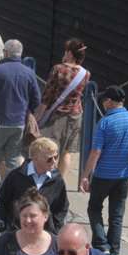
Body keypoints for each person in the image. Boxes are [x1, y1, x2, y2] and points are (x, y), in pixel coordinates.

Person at [81, 85, 128, 255]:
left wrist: (85, 175)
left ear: (109, 101)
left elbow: (96, 152)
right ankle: (114, 252)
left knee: (94, 208)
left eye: (103, 100)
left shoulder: (105, 123)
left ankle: (101, 245)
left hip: (103, 175)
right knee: (116, 215)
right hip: (124, 175)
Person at [0, 40, 39, 174]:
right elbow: (36, 100)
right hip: (19, 123)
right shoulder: (29, 73)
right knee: (12, 159)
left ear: (6, 53)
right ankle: (8, 189)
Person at [37, 39, 90, 178]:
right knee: (67, 152)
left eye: (66, 51)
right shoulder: (85, 73)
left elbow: (47, 97)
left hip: (57, 115)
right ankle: (59, 183)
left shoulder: (58, 69)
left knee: (51, 150)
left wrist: (38, 117)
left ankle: (46, 180)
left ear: (70, 54)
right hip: (75, 115)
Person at [0, 137, 70, 234]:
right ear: (35, 158)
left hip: (45, 235)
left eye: (56, 157)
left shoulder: (57, 180)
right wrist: (4, 228)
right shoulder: (16, 176)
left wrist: (55, 229)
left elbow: (62, 206)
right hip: (17, 234)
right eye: (49, 159)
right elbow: (0, 200)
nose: (54, 162)